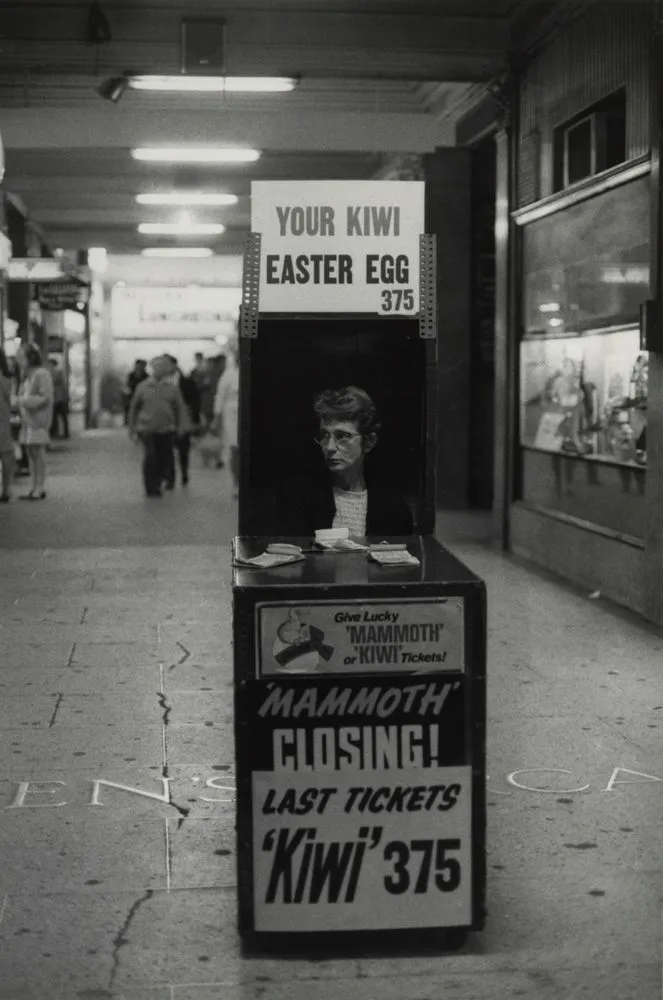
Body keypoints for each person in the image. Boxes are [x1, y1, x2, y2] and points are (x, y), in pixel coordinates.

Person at [272, 385, 413, 537]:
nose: (330, 447)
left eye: (343, 436)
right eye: (324, 435)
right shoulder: (297, 497)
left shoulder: (393, 507)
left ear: (369, 442)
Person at [127, 355, 186, 497]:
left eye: (164, 367)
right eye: (158, 366)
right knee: (150, 456)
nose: (161, 369)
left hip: (166, 429)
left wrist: (181, 427)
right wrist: (131, 429)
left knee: (163, 458)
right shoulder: (142, 387)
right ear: (153, 368)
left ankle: (159, 481)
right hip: (146, 428)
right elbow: (133, 408)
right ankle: (150, 487)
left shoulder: (172, 388)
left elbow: (180, 408)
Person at [16, 342, 54, 501]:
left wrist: (23, 401)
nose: (18, 358)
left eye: (21, 355)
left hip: (38, 419)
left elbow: (45, 397)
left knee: (37, 452)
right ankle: (34, 486)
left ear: (30, 357)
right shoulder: (27, 375)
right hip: (28, 420)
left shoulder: (41, 374)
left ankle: (40, 487)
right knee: (31, 452)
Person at [163, 354, 200, 486]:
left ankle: (184, 472)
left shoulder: (187, 382)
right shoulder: (159, 382)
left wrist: (195, 421)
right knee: (166, 449)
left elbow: (195, 401)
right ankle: (169, 477)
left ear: (174, 365)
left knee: (183, 448)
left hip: (183, 419)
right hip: (165, 420)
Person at [212, 343, 239, 497]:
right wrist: (216, 418)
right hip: (232, 417)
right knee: (235, 449)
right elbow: (220, 396)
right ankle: (236, 483)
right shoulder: (228, 375)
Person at [0, 348, 15, 502]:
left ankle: (6, 489)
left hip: (2, 419)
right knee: (5, 454)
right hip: (4, 419)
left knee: (5, 454)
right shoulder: (6, 379)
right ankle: (6, 489)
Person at [49, 358, 70, 439]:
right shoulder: (58, 372)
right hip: (59, 398)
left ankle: (58, 433)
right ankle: (63, 433)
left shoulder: (56, 372)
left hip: (58, 398)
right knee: (61, 417)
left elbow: (53, 382)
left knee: (58, 416)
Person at [123, 359, 148, 425]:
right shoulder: (131, 375)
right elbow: (127, 385)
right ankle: (128, 422)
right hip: (132, 396)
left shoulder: (146, 376)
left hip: (143, 397)